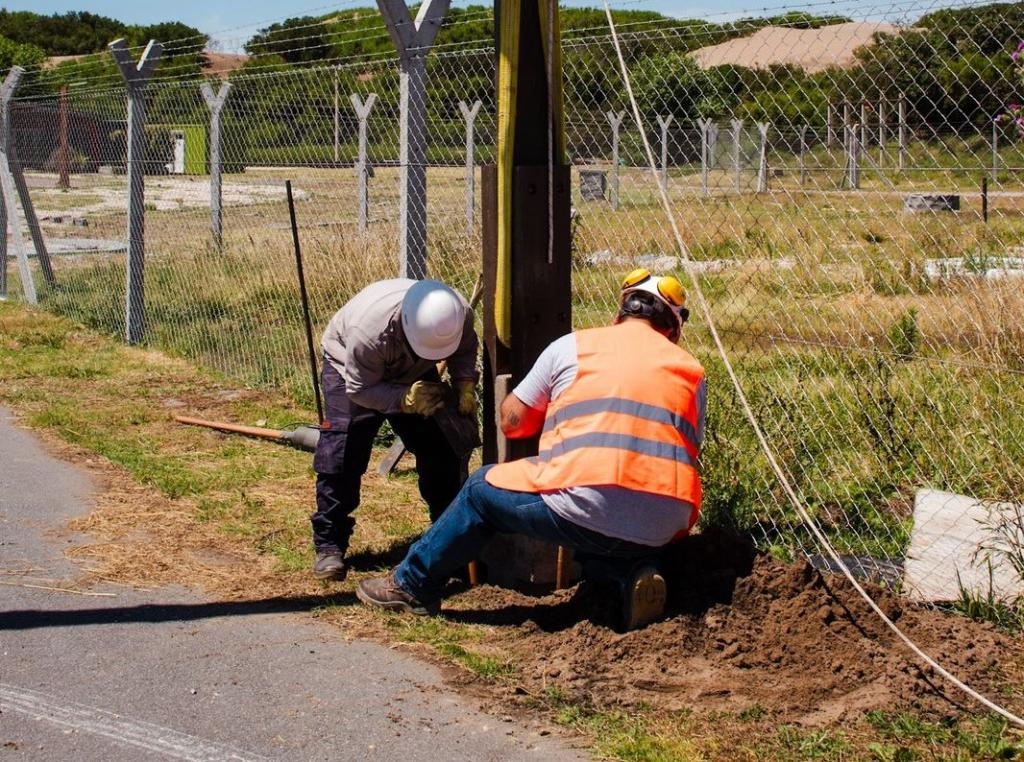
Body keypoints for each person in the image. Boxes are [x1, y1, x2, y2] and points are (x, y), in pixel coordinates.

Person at [357, 269, 706, 630]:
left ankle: (411, 585)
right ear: (673, 326)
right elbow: (688, 445)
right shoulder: (693, 372)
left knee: (481, 491)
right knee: (604, 526)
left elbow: (513, 421)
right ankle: (628, 577)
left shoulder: (573, 346)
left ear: (622, 310)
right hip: (666, 521)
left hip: (584, 500)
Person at [311, 278, 479, 581]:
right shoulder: (368, 333)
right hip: (349, 370)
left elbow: (464, 347)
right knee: (343, 452)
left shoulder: (457, 313)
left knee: (441, 448)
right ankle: (329, 544)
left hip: (412, 366)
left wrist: (465, 383)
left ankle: (446, 541)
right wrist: (402, 400)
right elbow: (361, 389)